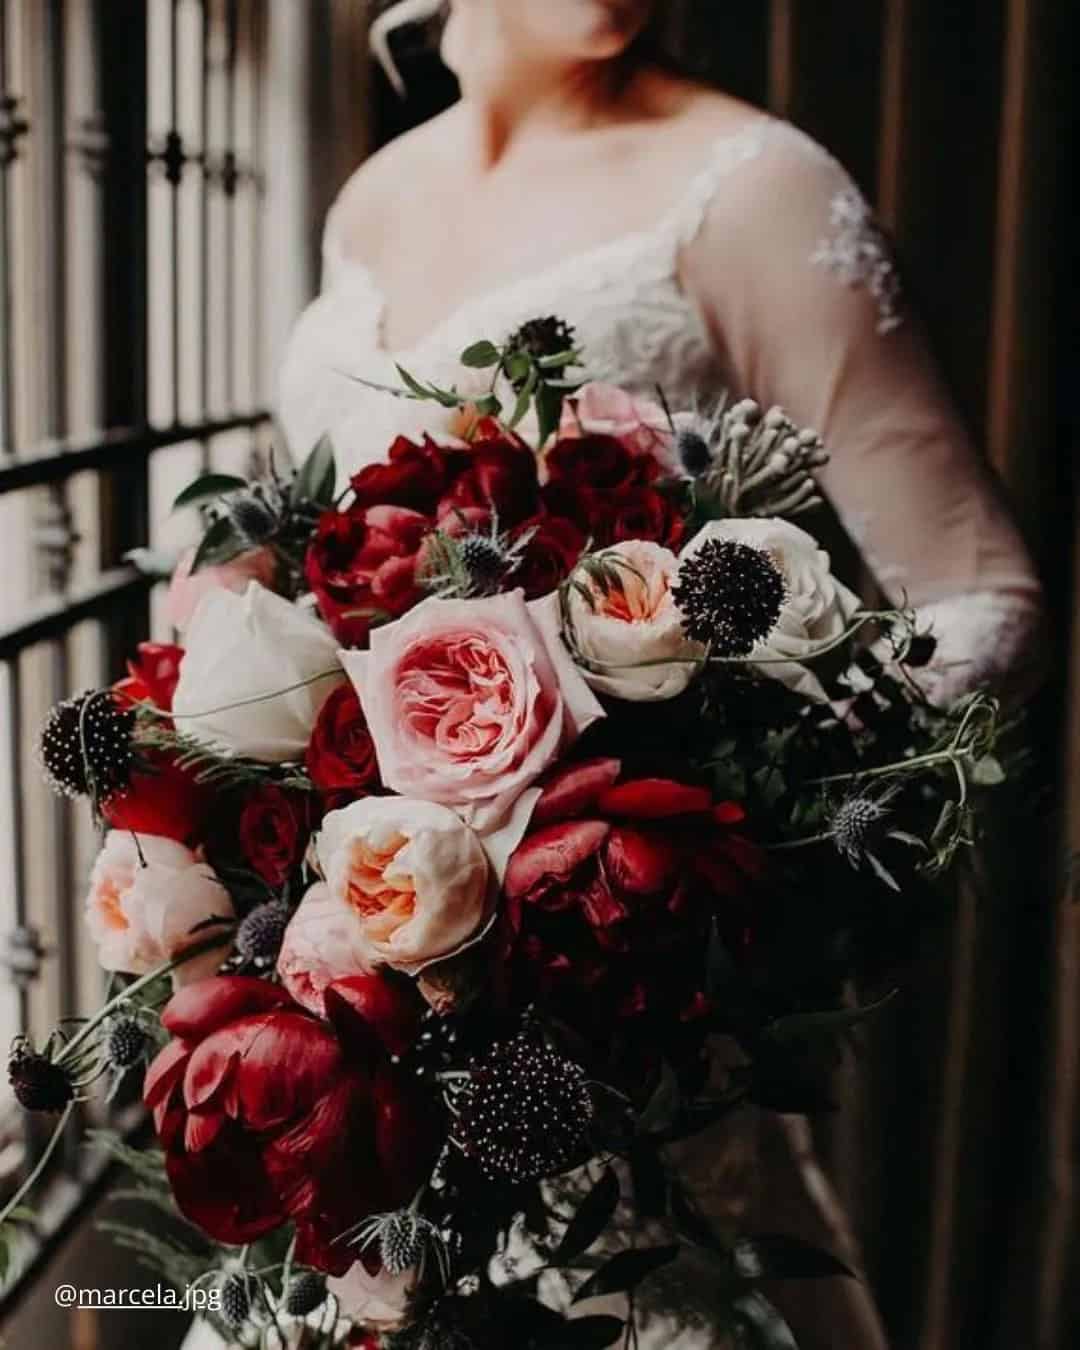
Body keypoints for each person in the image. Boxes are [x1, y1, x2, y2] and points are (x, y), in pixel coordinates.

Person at [276, 3, 1046, 1346]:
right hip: (361, 1038)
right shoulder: (372, 200)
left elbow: (984, 603)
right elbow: (311, 567)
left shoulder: (750, 189)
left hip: (613, 1062)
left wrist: (690, 874)